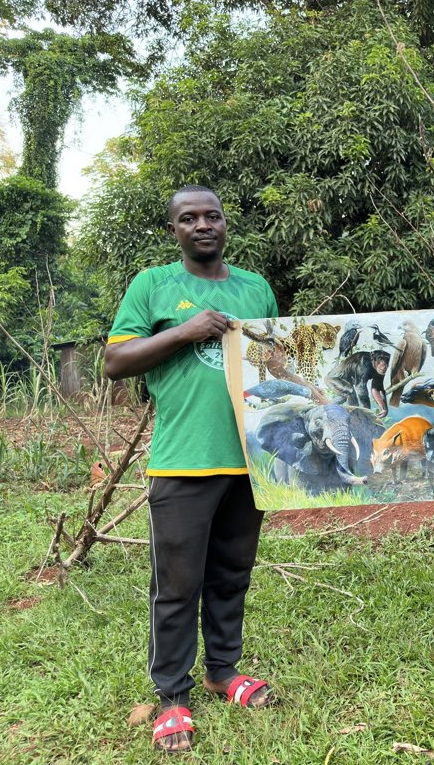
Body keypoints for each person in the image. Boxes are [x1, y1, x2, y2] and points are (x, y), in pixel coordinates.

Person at [105, 185, 278, 753]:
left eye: (212, 216)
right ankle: (172, 697)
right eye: (188, 218)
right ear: (174, 230)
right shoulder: (154, 285)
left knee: (232, 574)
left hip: (249, 462)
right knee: (176, 586)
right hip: (184, 461)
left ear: (226, 224)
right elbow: (114, 362)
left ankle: (223, 671)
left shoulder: (255, 288)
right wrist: (184, 330)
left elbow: (279, 362)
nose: (202, 225)